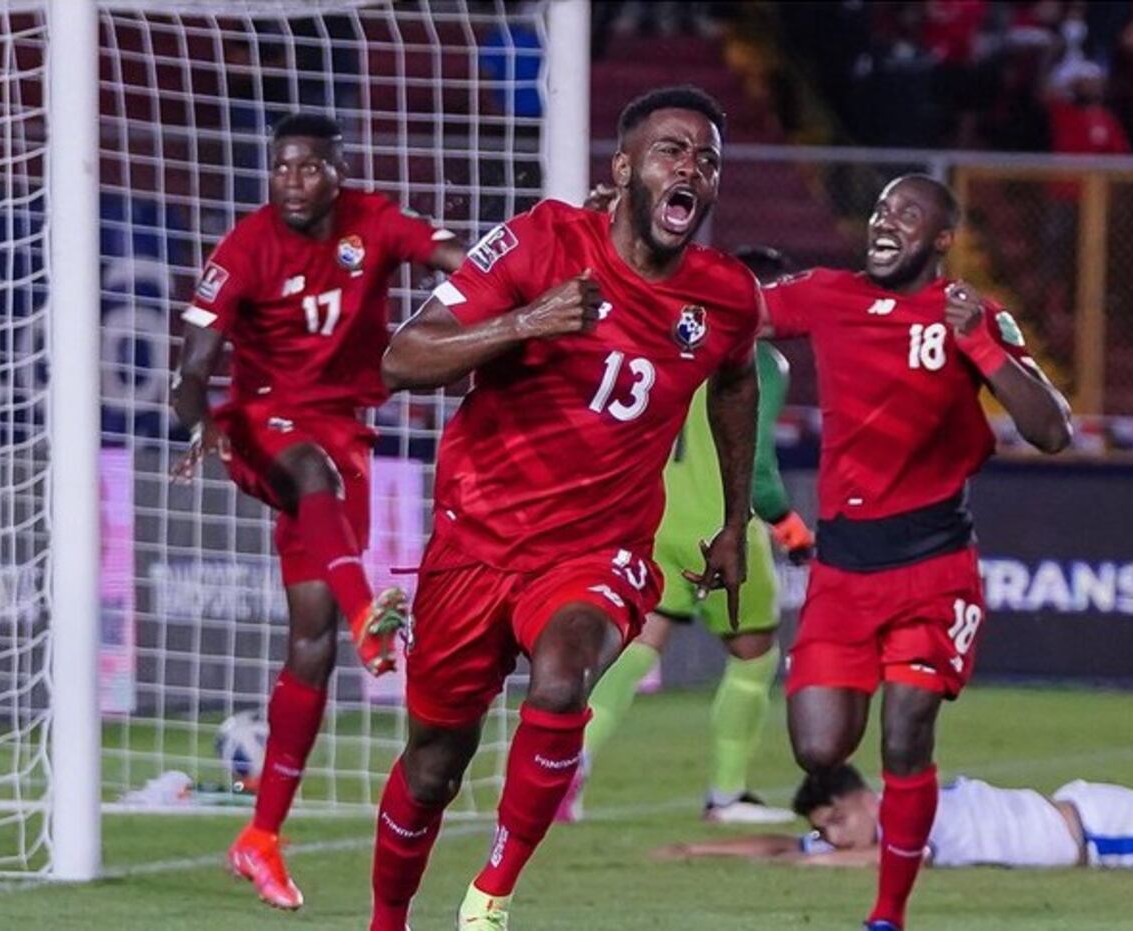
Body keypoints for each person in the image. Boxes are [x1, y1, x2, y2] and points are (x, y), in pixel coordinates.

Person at [367, 85, 763, 931]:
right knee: (434, 762)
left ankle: (490, 896)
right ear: (624, 169)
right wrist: (524, 322)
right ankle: (386, 920)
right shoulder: (542, 240)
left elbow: (735, 380)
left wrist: (736, 520)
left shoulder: (726, 296)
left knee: (561, 674)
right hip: (476, 544)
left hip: (598, 549)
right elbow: (402, 359)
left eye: (707, 158)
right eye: (671, 150)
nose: (692, 166)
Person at [762, 175, 1073, 931]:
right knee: (818, 745)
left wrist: (979, 345)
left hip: (933, 568)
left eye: (906, 213)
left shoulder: (969, 314)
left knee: (907, 728)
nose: (883, 222)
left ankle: (888, 914)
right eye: (877, 209)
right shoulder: (827, 294)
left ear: (940, 239)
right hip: (842, 567)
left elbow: (1051, 428)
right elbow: (741, 308)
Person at [169, 112, 464, 911]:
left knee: (310, 641)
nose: (293, 181)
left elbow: (448, 255)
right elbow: (191, 369)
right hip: (260, 427)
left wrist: (506, 281)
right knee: (309, 470)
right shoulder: (243, 248)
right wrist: (200, 424)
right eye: (282, 168)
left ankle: (259, 835)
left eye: (308, 168)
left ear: (337, 172)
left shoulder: (374, 219)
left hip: (348, 437)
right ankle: (371, 609)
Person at [558, 245, 814, 826]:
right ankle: (727, 795)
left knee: (641, 646)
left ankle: (570, 765)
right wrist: (790, 526)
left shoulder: (676, 341)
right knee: (754, 653)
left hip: (656, 521)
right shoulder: (762, 360)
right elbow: (762, 467)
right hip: (721, 526)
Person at [654, 763, 1133, 871]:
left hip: (1105, 830)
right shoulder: (876, 825)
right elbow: (786, 845)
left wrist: (819, 866)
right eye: (824, 829)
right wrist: (697, 850)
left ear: (863, 798)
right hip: (1082, 828)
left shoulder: (909, 809)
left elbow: (907, 860)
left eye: (835, 820)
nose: (832, 837)